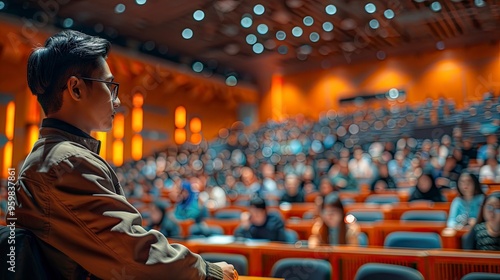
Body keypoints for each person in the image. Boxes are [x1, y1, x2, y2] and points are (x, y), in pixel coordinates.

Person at [14, 30, 234, 279]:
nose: (117, 101)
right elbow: (132, 255)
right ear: (76, 89)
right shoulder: (68, 162)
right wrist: (209, 272)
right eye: (109, 86)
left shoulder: (49, 155)